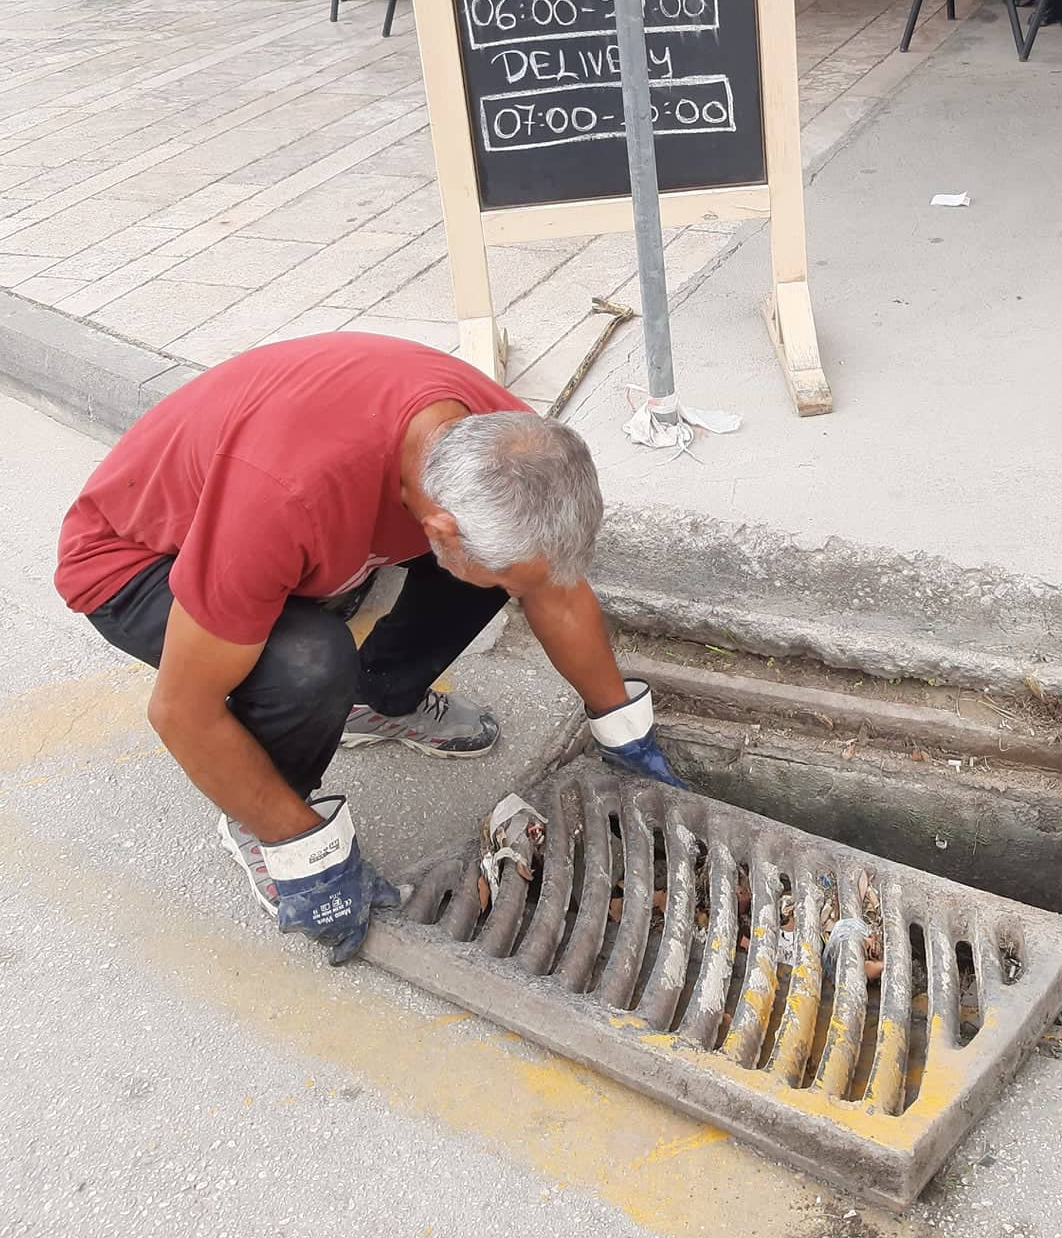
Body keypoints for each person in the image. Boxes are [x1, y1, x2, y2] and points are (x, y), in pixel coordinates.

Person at [55, 332, 683, 966]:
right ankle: (260, 814)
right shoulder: (284, 500)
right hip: (141, 562)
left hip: (295, 540)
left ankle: (381, 699)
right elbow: (182, 712)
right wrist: (303, 853)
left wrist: (624, 733)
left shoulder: (503, 446)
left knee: (497, 574)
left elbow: (557, 594)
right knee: (309, 662)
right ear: (438, 528)